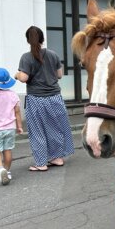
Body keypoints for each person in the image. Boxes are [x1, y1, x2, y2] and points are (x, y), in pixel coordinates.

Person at [15, 26, 74, 171]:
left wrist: (16, 74)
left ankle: (41, 163)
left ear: (28, 40)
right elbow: (59, 75)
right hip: (55, 97)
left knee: (37, 131)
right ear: (42, 39)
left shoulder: (26, 57)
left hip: (37, 99)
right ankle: (57, 158)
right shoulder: (53, 54)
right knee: (55, 128)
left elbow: (23, 78)